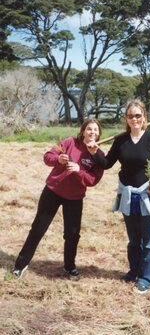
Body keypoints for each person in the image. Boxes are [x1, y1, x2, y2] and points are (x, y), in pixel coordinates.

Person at [87, 100, 150, 293]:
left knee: (149, 241)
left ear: (144, 117)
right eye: (131, 116)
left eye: (138, 115)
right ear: (126, 118)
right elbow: (107, 163)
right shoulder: (122, 140)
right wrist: (94, 152)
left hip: (147, 195)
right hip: (127, 194)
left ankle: (146, 278)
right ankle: (134, 271)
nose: (134, 119)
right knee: (134, 240)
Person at [12, 119, 104, 279]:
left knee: (72, 234)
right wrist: (58, 159)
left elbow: (93, 180)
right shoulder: (69, 142)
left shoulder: (99, 155)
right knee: (38, 229)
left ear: (99, 134)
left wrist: (78, 170)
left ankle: (69, 266)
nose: (92, 133)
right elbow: (48, 156)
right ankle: (20, 265)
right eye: (89, 129)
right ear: (83, 131)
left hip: (75, 198)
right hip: (52, 192)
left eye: (96, 130)